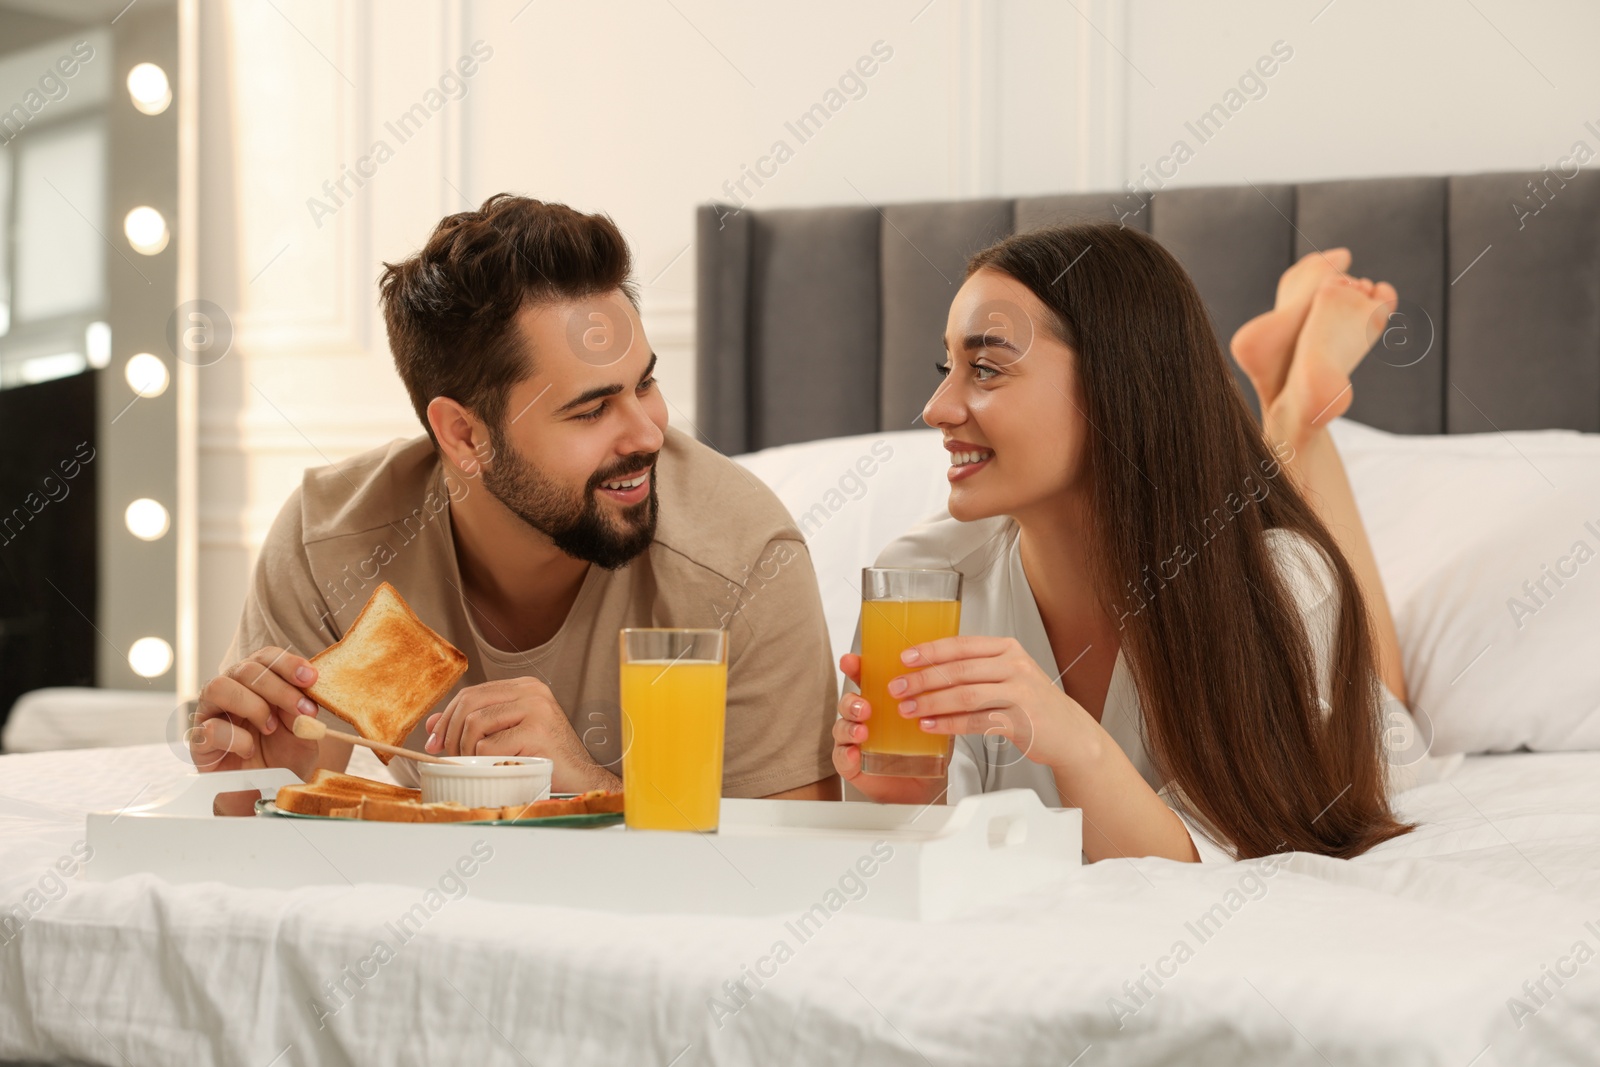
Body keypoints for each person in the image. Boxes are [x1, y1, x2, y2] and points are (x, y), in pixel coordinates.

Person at [190, 194, 840, 802]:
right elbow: (261, 854)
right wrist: (254, 794)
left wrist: (585, 787)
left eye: (644, 384)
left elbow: (787, 876)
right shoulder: (329, 545)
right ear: (465, 434)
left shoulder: (745, 560)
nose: (649, 432)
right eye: (591, 411)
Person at [831, 223, 1423, 861]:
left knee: (1383, 691)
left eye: (984, 369)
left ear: (1117, 385)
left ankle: (1298, 413)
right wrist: (908, 800)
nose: (936, 407)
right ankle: (1289, 397)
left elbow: (1208, 859)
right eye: (947, 367)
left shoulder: (1278, 581)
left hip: (1340, 714)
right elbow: (936, 856)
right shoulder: (918, 580)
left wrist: (1071, 741)